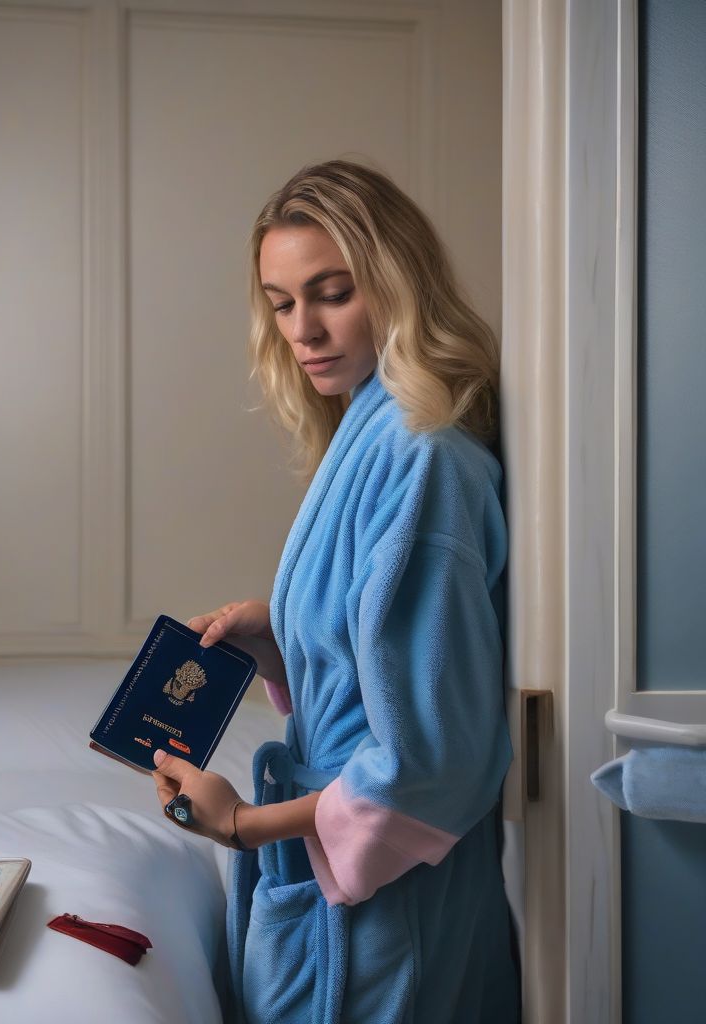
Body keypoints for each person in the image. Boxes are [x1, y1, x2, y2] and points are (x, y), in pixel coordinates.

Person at [150, 159, 521, 1023]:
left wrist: (243, 826)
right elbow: (382, 658)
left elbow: (433, 759)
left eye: (333, 292)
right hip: (339, 885)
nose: (304, 330)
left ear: (397, 286)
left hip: (385, 904)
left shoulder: (422, 458)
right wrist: (277, 636)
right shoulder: (370, 427)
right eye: (282, 303)